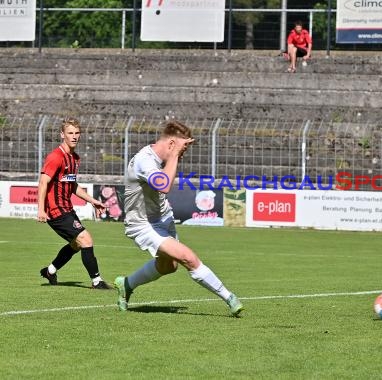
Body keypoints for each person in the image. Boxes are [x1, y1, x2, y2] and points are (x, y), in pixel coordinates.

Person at [114, 120, 244, 316]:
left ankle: (126, 284)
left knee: (168, 266)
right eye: (182, 148)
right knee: (188, 258)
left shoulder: (158, 158)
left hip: (163, 218)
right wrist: (175, 154)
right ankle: (230, 299)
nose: (183, 154)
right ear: (172, 143)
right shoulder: (144, 160)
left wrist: (175, 153)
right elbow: (164, 186)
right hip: (143, 224)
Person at [37, 117, 112, 289]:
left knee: (76, 245)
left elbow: (72, 186)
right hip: (55, 210)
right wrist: (41, 209)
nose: (74, 136)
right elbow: (43, 183)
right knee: (85, 239)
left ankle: (50, 271)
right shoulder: (56, 157)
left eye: (77, 133)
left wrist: (93, 201)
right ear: (62, 134)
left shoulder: (74, 158)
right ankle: (97, 281)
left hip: (67, 208)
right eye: (70, 133)